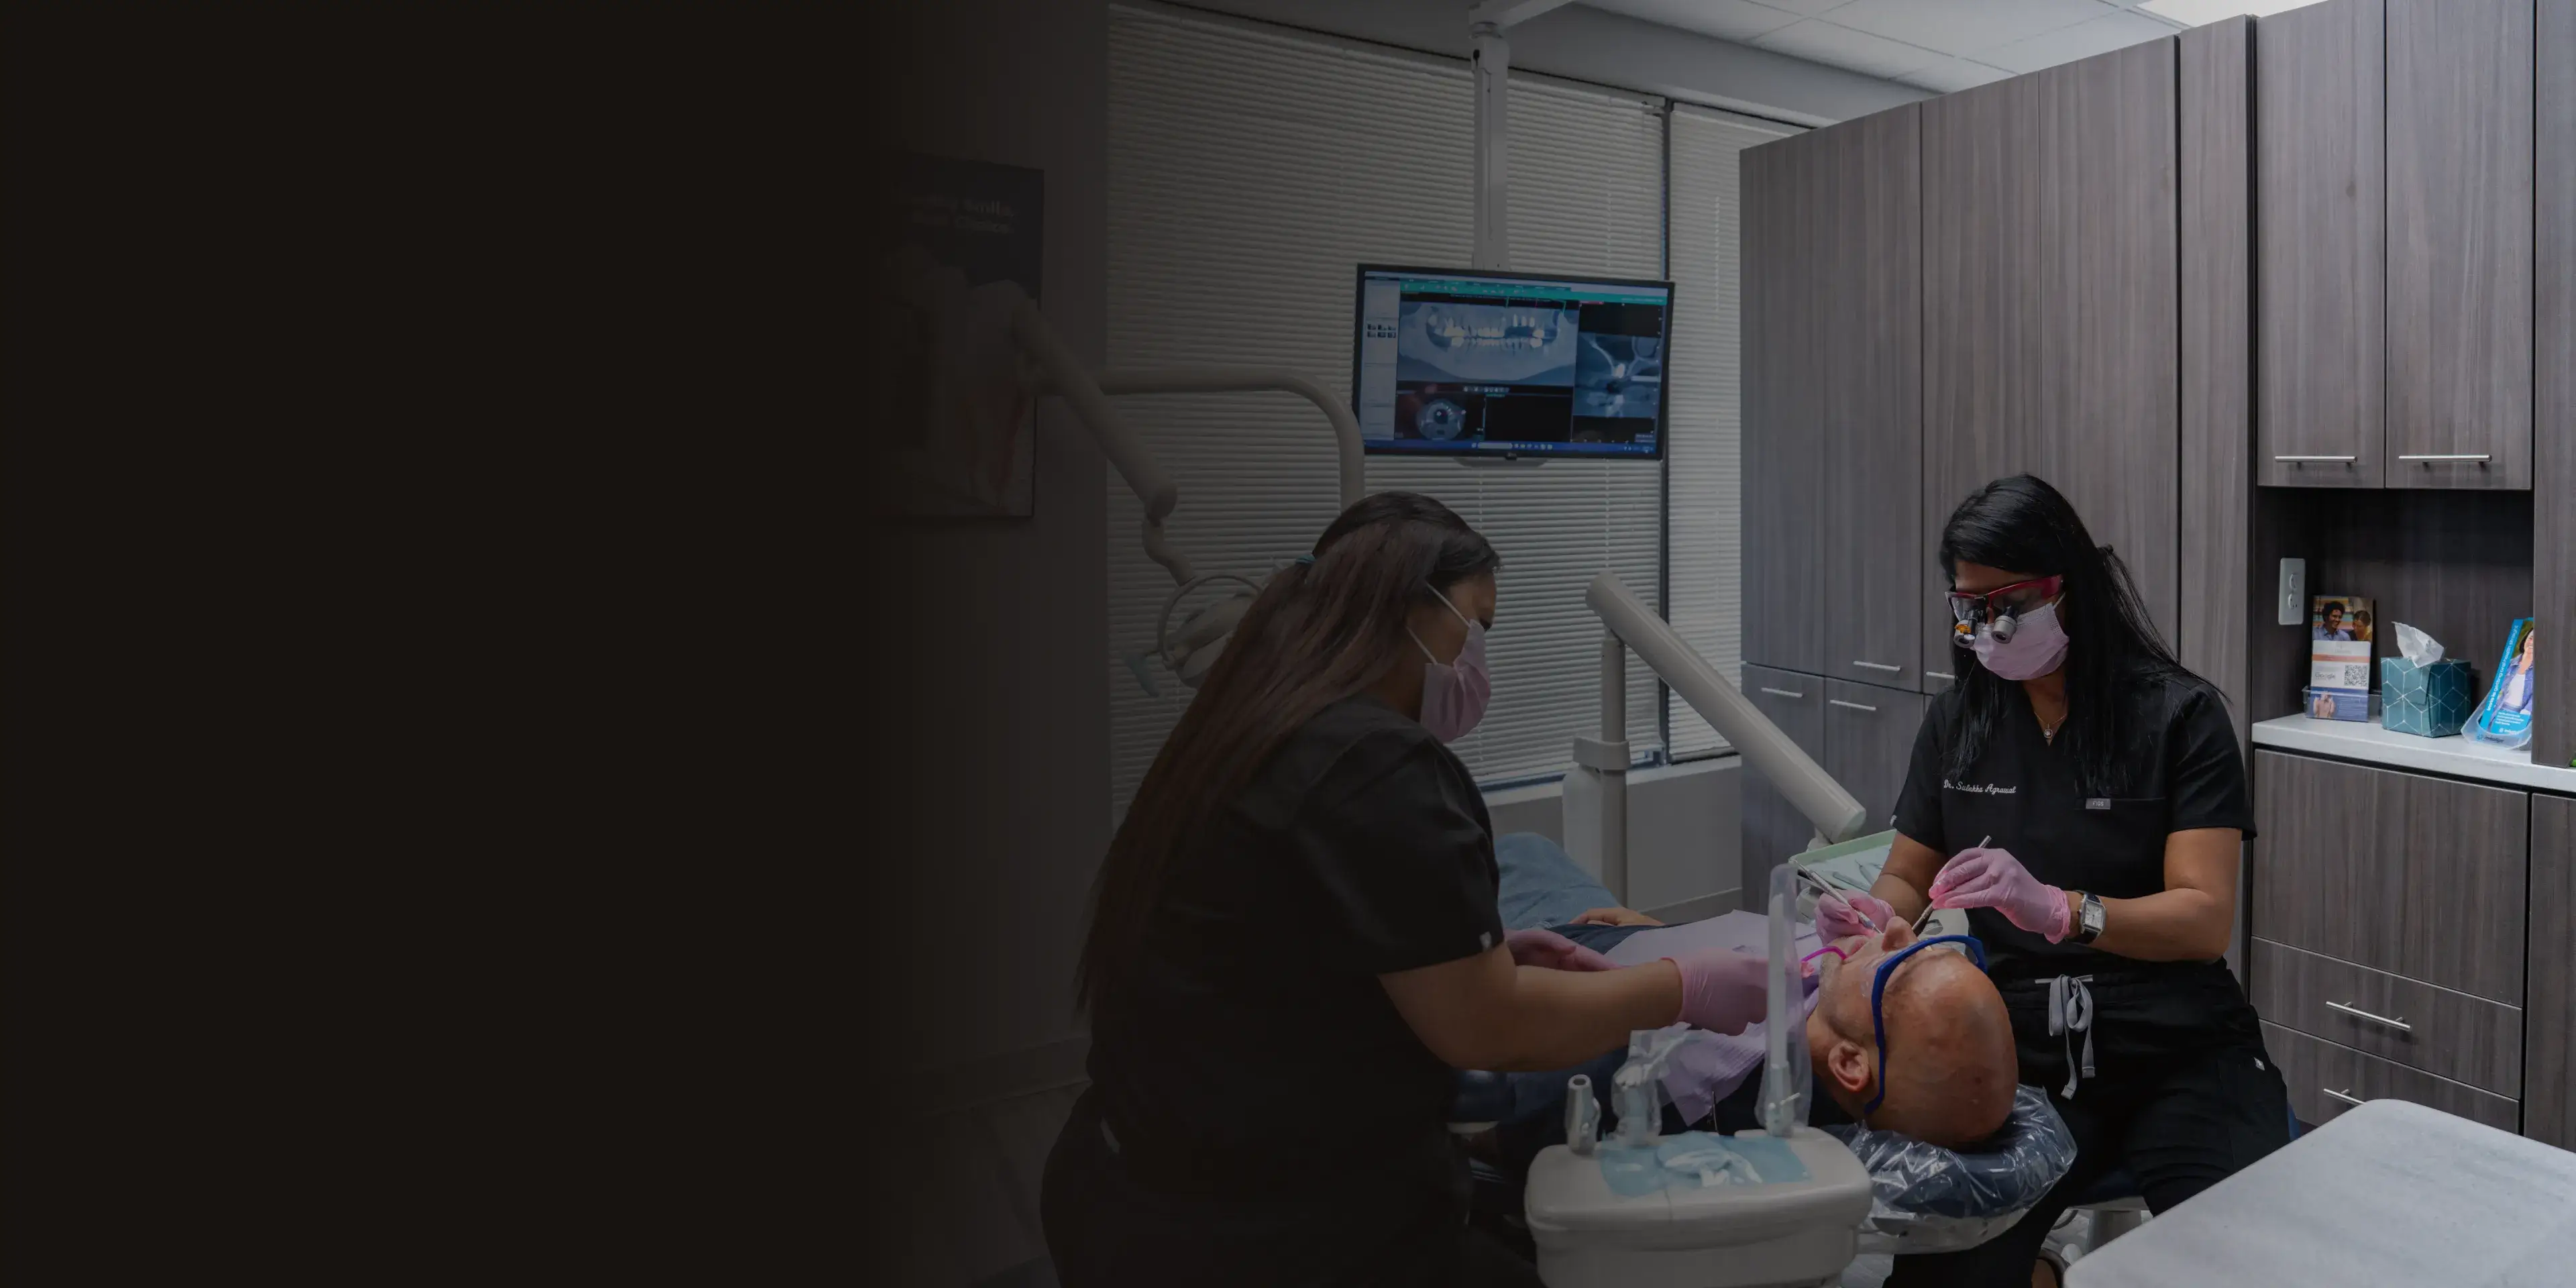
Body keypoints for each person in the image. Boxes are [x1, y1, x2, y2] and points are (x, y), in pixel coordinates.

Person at [1041, 492, 1772, 1287]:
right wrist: (1680, 987)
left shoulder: (1251, 724)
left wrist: (1453, 953)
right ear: (1407, 607)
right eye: (1476, 624)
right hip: (1250, 1238)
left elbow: (1287, 946)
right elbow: (1488, 1026)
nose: (1477, 655)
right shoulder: (1375, 764)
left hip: (1120, 1179)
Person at [1833, 475, 2290, 1288]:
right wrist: (1876, 916)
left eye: (2005, 601)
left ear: (2065, 587)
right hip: (2017, 1058)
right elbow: (1909, 870)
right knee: (1948, 1275)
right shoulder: (1961, 723)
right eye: (1968, 607)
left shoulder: (2178, 718)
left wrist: (2058, 909)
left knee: (2244, 1264)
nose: (1987, 626)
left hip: (2177, 1047)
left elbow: (2201, 919)